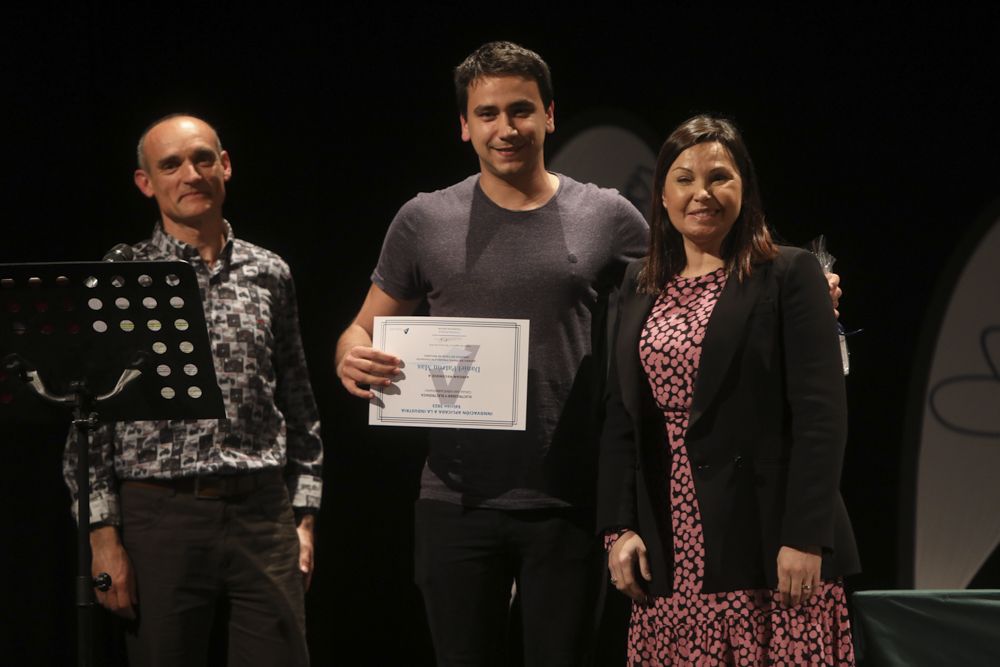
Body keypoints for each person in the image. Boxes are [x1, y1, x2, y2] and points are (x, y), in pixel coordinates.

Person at [335, 41, 650, 665]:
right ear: (464, 125)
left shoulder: (607, 216)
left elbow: (694, 294)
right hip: (455, 499)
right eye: (487, 114)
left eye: (521, 110)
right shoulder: (423, 220)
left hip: (568, 498)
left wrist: (798, 286)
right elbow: (361, 330)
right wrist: (352, 356)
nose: (506, 128)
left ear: (550, 115)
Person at [597, 114, 860, 665]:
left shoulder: (789, 274)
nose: (702, 193)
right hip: (667, 544)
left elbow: (821, 415)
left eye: (720, 176)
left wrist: (806, 537)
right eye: (684, 178)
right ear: (662, 196)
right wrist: (618, 529)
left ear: (746, 188)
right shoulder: (637, 285)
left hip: (769, 543)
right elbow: (621, 416)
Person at [63, 114, 323, 666]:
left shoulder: (268, 271)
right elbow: (90, 418)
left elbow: (298, 399)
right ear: (146, 183)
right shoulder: (124, 274)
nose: (191, 173)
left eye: (203, 158)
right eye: (171, 164)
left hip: (261, 510)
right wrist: (102, 538)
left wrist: (303, 517)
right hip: (161, 515)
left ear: (224, 166)